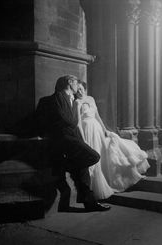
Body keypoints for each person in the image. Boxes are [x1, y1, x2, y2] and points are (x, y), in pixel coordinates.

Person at [35, 74, 111, 212]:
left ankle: (89, 203)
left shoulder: (74, 99)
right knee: (93, 157)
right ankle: (63, 167)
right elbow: (69, 121)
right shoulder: (55, 98)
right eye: (76, 83)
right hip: (63, 141)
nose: (78, 86)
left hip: (73, 140)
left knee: (83, 171)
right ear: (70, 83)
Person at [75, 80, 150, 200]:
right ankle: (94, 188)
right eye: (77, 89)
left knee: (109, 146)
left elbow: (98, 116)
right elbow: (78, 122)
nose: (79, 92)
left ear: (85, 88)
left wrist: (105, 130)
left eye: (81, 89)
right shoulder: (77, 102)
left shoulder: (91, 99)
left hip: (97, 129)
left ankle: (117, 179)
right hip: (87, 130)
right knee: (94, 156)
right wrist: (83, 138)